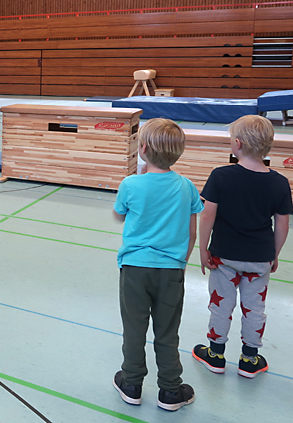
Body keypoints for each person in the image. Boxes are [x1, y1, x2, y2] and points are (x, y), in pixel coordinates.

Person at [112, 118, 203, 412]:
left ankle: (131, 383)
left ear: (143, 149)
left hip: (135, 269)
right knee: (167, 332)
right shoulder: (187, 187)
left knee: (134, 328)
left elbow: (119, 215)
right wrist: (181, 262)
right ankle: (171, 390)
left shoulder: (130, 184)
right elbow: (191, 233)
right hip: (171, 269)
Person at [192, 115, 291, 378]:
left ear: (237, 144)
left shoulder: (221, 176)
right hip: (260, 258)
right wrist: (275, 254)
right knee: (254, 308)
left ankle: (215, 354)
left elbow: (207, 215)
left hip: (224, 257)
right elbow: (282, 224)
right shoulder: (279, 182)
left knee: (221, 305)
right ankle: (250, 359)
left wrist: (203, 249)